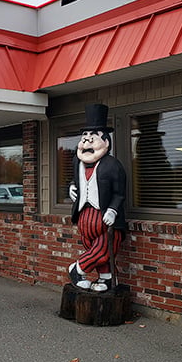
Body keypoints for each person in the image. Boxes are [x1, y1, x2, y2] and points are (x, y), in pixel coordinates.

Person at [68, 104, 126, 292]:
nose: (86, 144)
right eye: (84, 139)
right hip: (84, 216)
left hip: (105, 218)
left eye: (91, 140)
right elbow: (75, 180)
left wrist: (113, 210)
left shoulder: (112, 165)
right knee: (95, 250)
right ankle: (105, 280)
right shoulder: (77, 161)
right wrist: (72, 188)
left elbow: (119, 193)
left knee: (103, 250)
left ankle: (77, 270)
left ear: (106, 142)